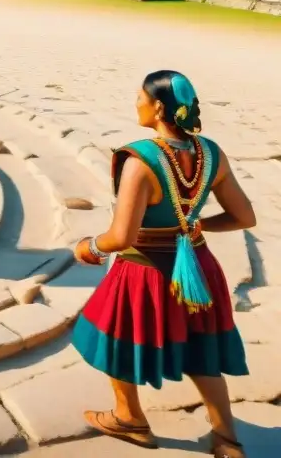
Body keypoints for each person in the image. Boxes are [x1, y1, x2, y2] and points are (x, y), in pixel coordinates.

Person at [71, 71, 254, 457]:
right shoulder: (212, 153)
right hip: (199, 266)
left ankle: (129, 418)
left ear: (157, 107)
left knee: (115, 337)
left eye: (139, 96)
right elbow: (243, 217)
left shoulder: (140, 160)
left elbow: (121, 237)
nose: (135, 102)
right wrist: (194, 224)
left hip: (145, 269)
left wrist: (89, 248)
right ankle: (226, 438)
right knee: (203, 348)